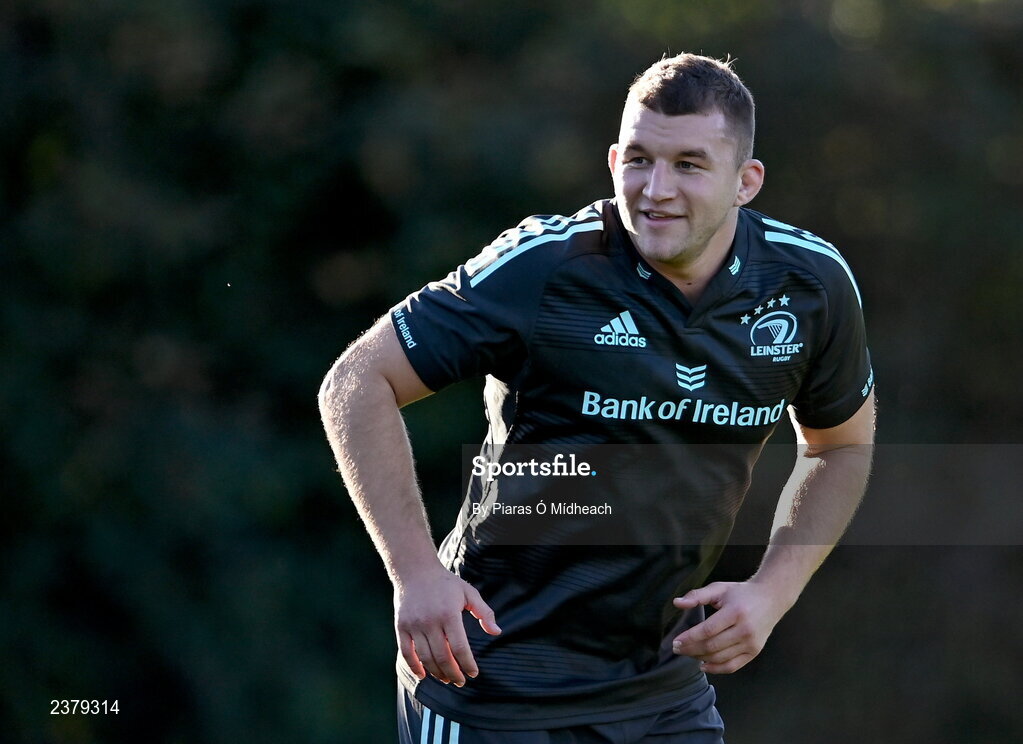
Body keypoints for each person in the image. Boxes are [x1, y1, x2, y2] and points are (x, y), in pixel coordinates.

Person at [319, 53, 875, 744]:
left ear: (746, 182)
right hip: (490, 681)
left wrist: (772, 590)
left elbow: (840, 447)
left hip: (658, 687)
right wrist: (415, 574)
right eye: (638, 159)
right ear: (612, 159)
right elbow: (355, 380)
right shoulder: (544, 267)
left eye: (689, 165)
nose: (655, 189)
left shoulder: (809, 286)